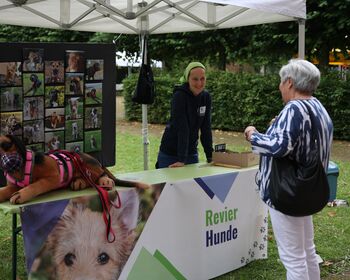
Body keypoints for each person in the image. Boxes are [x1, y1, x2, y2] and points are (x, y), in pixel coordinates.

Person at [244, 59, 333, 280]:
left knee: (293, 258)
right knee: (307, 251)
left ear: (290, 82)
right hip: (308, 189)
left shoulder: (294, 108)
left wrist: (252, 134)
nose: (279, 87)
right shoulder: (317, 107)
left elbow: (279, 147)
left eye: (281, 81)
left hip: (288, 191)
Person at [156, 62, 213, 168]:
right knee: (164, 185)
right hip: (171, 152)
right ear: (188, 79)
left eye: (202, 79)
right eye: (195, 79)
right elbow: (183, 128)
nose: (199, 83)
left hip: (191, 152)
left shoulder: (206, 97)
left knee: (193, 184)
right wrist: (182, 159)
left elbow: (206, 128)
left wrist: (210, 156)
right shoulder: (179, 96)